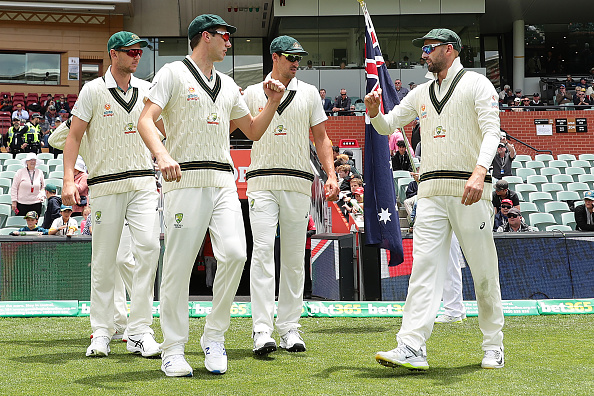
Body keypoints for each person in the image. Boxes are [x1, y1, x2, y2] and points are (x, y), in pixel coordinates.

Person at [137, 14, 286, 377]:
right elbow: (145, 119)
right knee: (178, 266)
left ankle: (213, 336)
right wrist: (162, 154)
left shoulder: (228, 84)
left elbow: (251, 131)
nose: (229, 42)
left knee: (236, 254)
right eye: (224, 36)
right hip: (184, 179)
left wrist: (270, 103)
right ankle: (173, 348)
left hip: (221, 180)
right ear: (206, 36)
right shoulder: (172, 72)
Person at [365, 28, 505, 370]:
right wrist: (373, 113)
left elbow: (492, 132)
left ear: (450, 50)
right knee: (424, 271)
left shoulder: (477, 84)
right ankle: (412, 346)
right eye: (423, 48)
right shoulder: (420, 92)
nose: (423, 53)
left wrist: (479, 171)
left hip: (470, 190)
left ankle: (493, 345)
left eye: (429, 48)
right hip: (429, 192)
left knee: (484, 273)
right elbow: (388, 126)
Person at [62, 31, 162, 359]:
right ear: (112, 54)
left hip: (143, 184)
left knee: (149, 249)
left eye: (139, 51)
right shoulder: (92, 90)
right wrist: (68, 180)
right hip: (105, 186)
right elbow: (73, 137)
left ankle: (140, 331)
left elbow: (165, 131)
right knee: (104, 262)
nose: (137, 56)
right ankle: (102, 331)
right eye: (130, 51)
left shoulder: (148, 90)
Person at [243, 35, 339, 357]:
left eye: (299, 57)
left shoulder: (309, 93)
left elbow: (322, 138)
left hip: (299, 183)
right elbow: (243, 130)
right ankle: (261, 330)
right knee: (263, 252)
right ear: (275, 57)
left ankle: (289, 327)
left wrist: (332, 174)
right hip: (261, 182)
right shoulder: (252, 93)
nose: (296, 62)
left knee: (295, 258)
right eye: (290, 57)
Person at [434, 233, 466, 323]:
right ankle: (458, 309)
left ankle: (453, 312)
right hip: (448, 229)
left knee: (450, 268)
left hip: (448, 228)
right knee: (450, 268)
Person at [303, 214, 316, 299]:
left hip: (306, 248)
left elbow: (313, 230)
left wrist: (301, 234)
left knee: (306, 269)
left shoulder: (308, 217)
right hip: (294, 248)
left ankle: (307, 291)